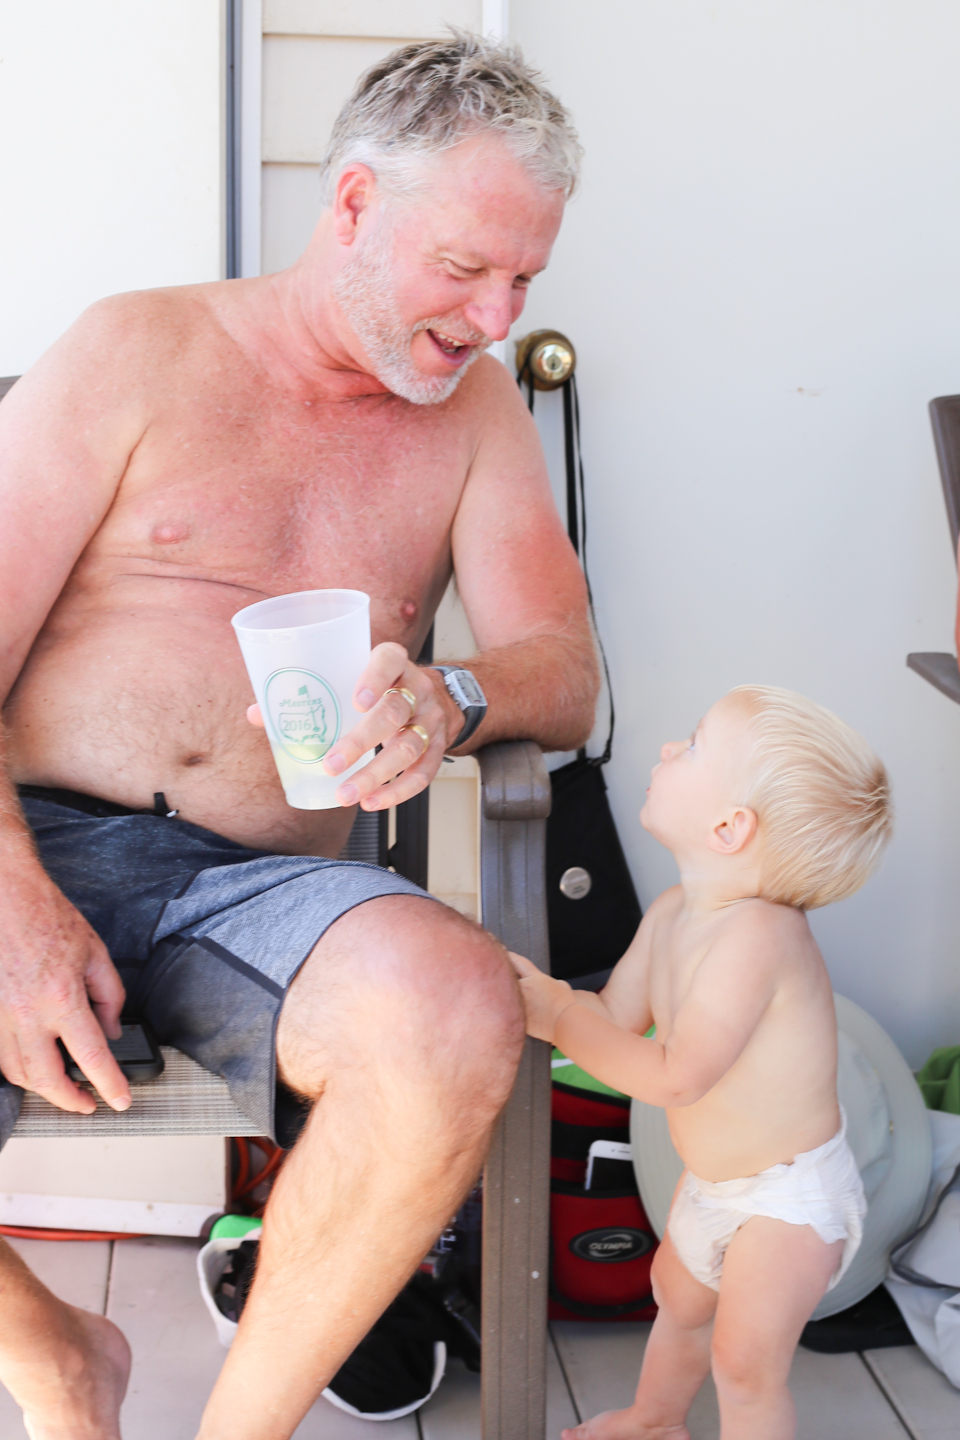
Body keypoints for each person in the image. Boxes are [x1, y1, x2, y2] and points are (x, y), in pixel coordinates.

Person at [0, 33, 597, 1440]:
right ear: (353, 204)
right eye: (467, 267)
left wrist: (454, 697)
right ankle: (51, 1354)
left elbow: (568, 675)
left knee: (454, 1009)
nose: (495, 315)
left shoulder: (476, 417)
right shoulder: (133, 349)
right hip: (33, 835)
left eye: (525, 281)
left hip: (264, 892)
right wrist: (14, 905)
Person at [510, 686, 892, 1440]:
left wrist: (556, 1017)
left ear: (728, 827)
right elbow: (615, 1020)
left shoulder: (758, 938)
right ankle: (655, 1419)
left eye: (691, 745)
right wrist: (550, 1003)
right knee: (678, 1301)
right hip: (715, 1184)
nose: (666, 749)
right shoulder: (671, 913)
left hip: (789, 1197)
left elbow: (675, 1075)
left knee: (744, 1365)